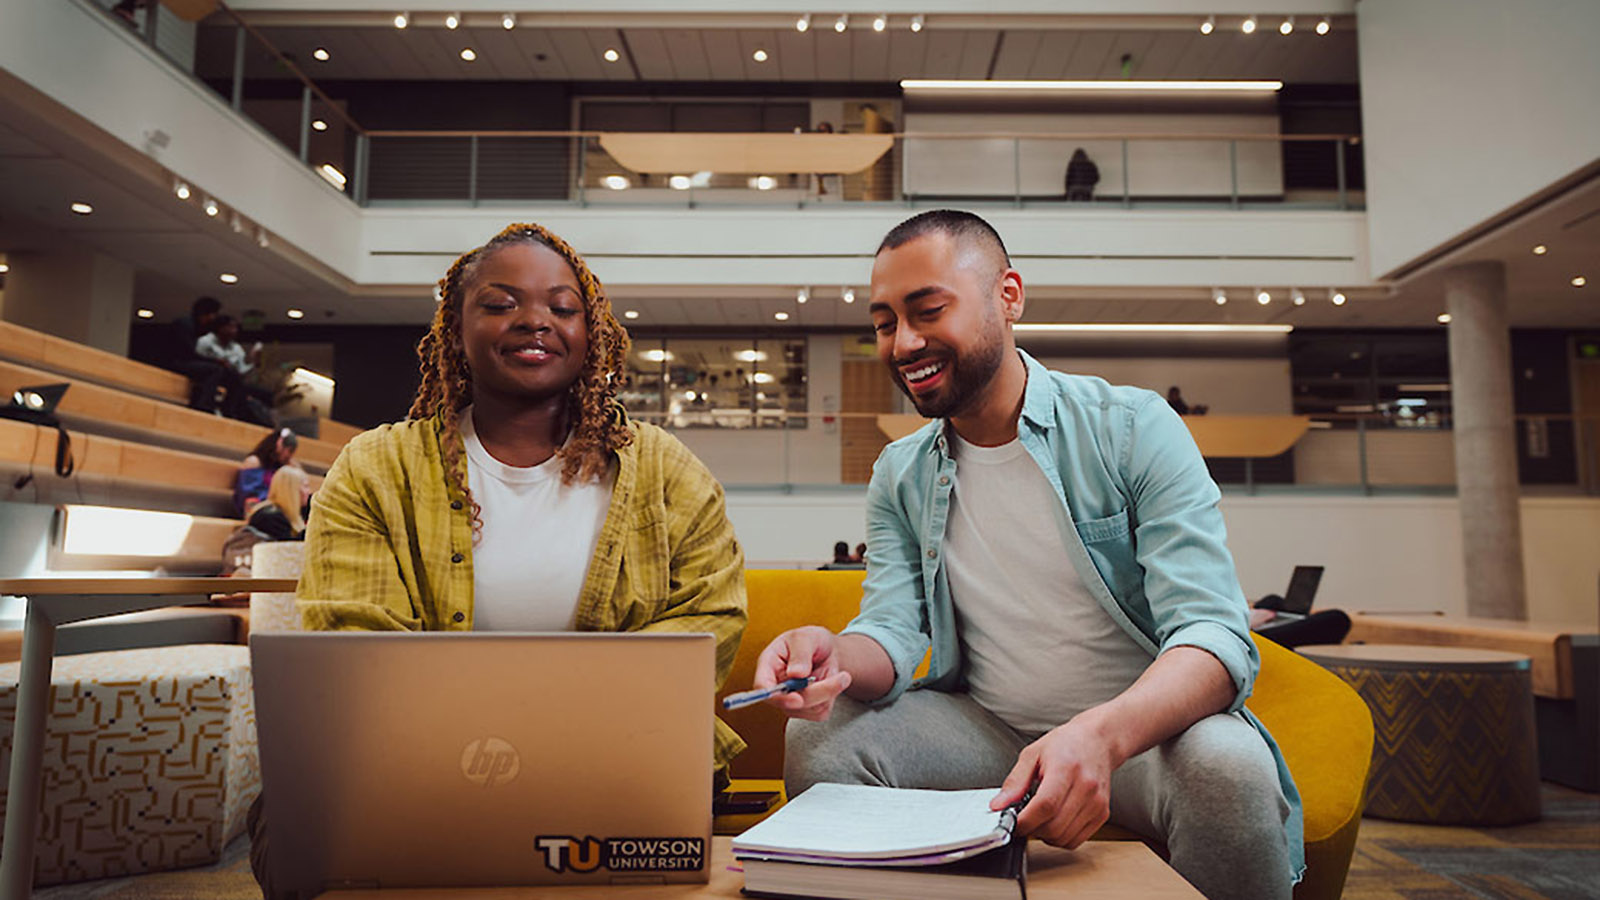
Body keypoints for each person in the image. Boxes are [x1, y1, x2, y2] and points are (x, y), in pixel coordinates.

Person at [751, 210, 1301, 900]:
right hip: (990, 731)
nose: (904, 342)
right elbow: (891, 629)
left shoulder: (1132, 430)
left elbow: (1215, 636)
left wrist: (1099, 734)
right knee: (823, 739)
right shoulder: (901, 471)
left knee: (1230, 766)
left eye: (928, 310)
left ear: (1008, 295)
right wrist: (831, 656)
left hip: (1140, 741)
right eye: (886, 322)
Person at [250, 222, 748, 896]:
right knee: (295, 838)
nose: (534, 320)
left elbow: (711, 613)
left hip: (619, 755)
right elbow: (353, 636)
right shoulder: (376, 467)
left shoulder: (663, 469)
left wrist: (573, 722)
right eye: (500, 302)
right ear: (455, 329)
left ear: (590, 333)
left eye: (562, 306)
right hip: (422, 760)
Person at [196, 315, 275, 424]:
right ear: (220, 328)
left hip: (234, 380)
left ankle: (266, 422)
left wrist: (254, 363)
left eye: (235, 328)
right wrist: (216, 361)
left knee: (266, 394)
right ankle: (227, 411)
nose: (234, 331)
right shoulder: (205, 341)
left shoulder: (236, 348)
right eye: (230, 327)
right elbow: (197, 359)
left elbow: (242, 371)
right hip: (211, 377)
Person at [165, 296, 229, 413]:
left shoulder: (192, 326)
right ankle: (204, 406)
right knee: (215, 370)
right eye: (213, 314)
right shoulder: (185, 325)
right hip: (175, 362)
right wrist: (214, 361)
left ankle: (202, 403)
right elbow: (187, 353)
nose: (213, 318)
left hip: (180, 360)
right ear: (206, 314)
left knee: (217, 371)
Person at [234, 427, 300, 517]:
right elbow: (248, 495)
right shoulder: (254, 462)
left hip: (274, 507)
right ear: (278, 445)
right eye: (289, 450)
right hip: (256, 508)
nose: (289, 455)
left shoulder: (281, 466)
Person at [246, 464, 311, 540]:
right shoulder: (270, 517)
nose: (309, 492)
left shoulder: (288, 512)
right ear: (293, 490)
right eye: (306, 486)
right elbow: (286, 548)